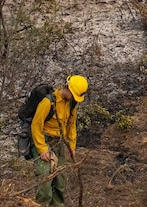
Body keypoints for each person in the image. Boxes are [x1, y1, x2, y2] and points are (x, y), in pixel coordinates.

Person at [30, 75, 89, 206]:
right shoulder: (48, 102)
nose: (74, 98)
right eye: (73, 95)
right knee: (45, 182)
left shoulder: (72, 104)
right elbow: (36, 125)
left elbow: (71, 124)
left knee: (60, 182)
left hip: (59, 142)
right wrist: (42, 149)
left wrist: (72, 146)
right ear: (67, 88)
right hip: (44, 141)